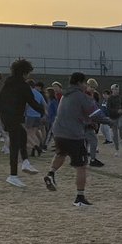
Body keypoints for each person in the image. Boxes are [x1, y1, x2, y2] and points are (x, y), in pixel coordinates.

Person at [45, 71, 100, 206]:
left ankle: (50, 174)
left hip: (59, 132)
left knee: (61, 153)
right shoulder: (80, 96)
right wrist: (106, 120)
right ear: (80, 83)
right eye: (85, 83)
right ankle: (80, 197)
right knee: (81, 167)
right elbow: (93, 113)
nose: (86, 86)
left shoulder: (65, 96)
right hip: (73, 134)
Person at [0, 60, 40, 187]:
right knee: (14, 145)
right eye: (28, 73)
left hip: (7, 116)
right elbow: (31, 101)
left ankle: (25, 162)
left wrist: (0, 117)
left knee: (23, 134)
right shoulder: (23, 85)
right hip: (13, 117)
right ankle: (13, 175)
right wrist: (42, 111)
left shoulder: (7, 84)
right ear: (24, 72)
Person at [107, 83, 122, 153]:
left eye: (117, 89)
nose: (117, 91)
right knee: (115, 134)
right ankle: (117, 150)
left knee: (121, 125)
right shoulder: (110, 99)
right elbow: (108, 109)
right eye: (115, 89)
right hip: (113, 117)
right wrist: (116, 111)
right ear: (112, 90)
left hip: (120, 116)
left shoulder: (121, 97)